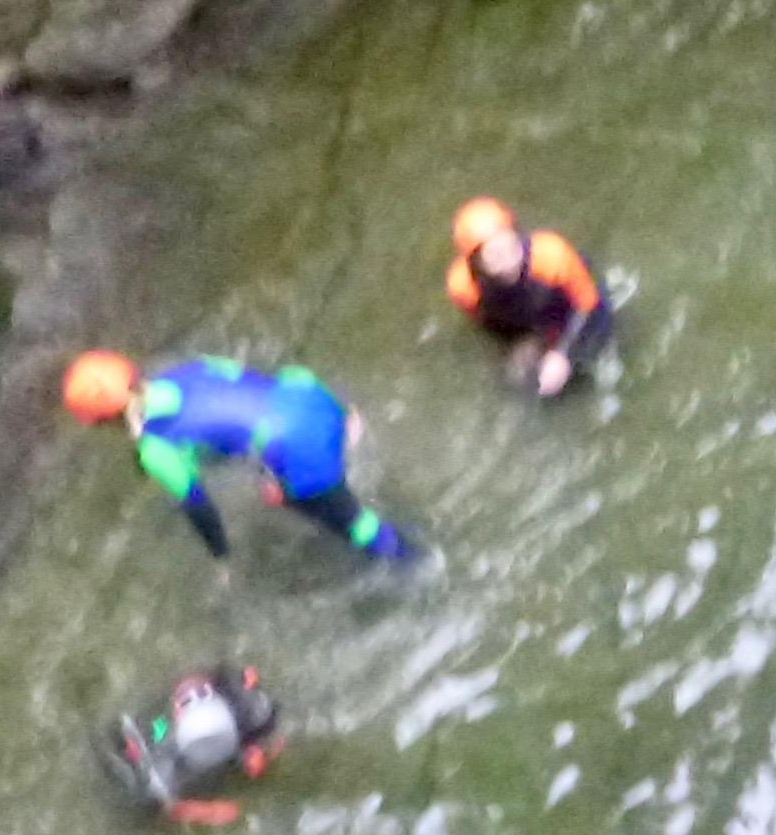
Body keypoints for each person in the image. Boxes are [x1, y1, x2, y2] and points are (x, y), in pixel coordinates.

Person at [61, 351, 418, 565]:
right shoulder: (191, 369)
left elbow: (198, 505)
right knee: (277, 477)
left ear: (102, 422)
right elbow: (250, 384)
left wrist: (221, 557)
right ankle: (345, 432)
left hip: (301, 451)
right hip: (311, 398)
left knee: (349, 519)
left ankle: (414, 564)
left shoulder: (156, 447)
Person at [446, 198, 615, 397]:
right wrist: (522, 343)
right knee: (517, 379)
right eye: (496, 256)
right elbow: (490, 324)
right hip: (528, 315)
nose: (510, 262)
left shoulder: (553, 257)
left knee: (596, 351)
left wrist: (562, 353)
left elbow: (589, 302)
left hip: (574, 305)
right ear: (477, 264)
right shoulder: (464, 288)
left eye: (511, 247)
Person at [97, 661, 281, 825]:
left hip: (165, 742)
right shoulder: (159, 779)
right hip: (166, 758)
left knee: (160, 737)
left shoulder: (224, 685)